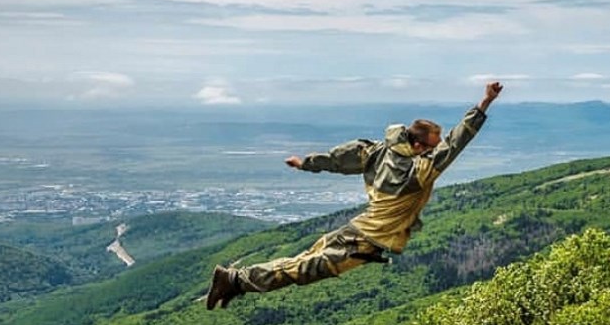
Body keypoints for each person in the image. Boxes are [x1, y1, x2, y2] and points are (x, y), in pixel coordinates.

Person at [205, 81, 504, 309]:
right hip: (365, 239)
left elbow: (341, 158)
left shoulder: (378, 150)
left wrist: (306, 163)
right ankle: (233, 280)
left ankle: (234, 281)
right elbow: (456, 142)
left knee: (303, 260)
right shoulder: (419, 171)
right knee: (304, 269)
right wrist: (485, 103)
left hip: (358, 228)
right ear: (417, 146)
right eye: (430, 148)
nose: (434, 152)